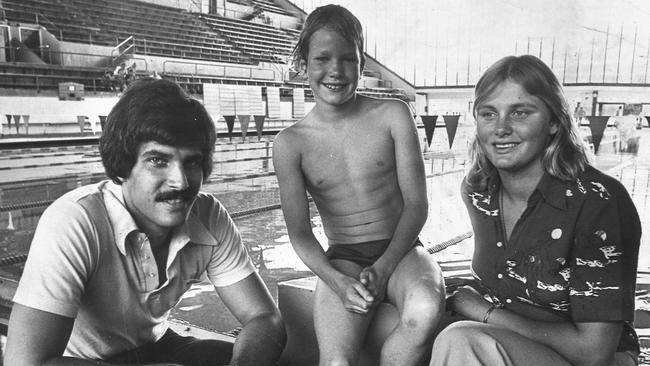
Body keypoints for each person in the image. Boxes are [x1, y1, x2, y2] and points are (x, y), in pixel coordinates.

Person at [6, 78, 286, 366]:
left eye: (191, 162)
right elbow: (24, 362)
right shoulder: (75, 221)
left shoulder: (208, 215)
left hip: (157, 344)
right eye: (158, 160)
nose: (180, 182)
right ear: (124, 164)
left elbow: (264, 318)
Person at [430, 55, 641, 366]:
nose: (501, 128)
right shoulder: (480, 191)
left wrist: (484, 313)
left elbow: (593, 352)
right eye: (488, 114)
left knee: (461, 340)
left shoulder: (597, 200)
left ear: (554, 122)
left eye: (520, 113)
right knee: (393, 321)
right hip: (517, 343)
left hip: (596, 360)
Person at [273, 5, 444, 366]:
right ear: (303, 64)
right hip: (344, 261)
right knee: (336, 361)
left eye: (348, 60)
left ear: (362, 64)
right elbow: (300, 234)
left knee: (425, 311)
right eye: (322, 58)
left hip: (403, 253)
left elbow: (417, 204)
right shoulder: (291, 144)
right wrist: (335, 280)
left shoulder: (393, 115)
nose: (335, 71)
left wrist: (384, 267)